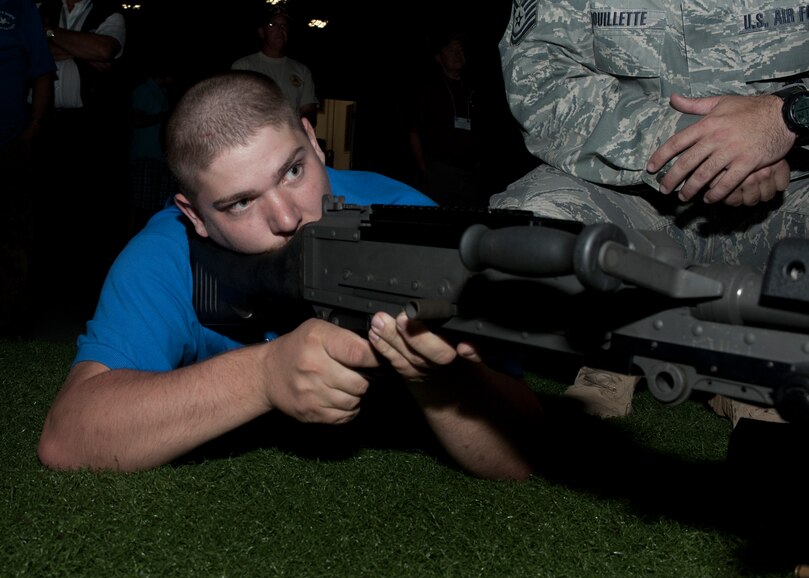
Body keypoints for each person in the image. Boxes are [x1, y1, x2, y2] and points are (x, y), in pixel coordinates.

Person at [37, 71, 544, 480]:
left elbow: (522, 456)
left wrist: (441, 383)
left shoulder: (402, 218)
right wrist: (263, 376)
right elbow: (69, 436)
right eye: (240, 203)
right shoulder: (166, 254)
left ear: (314, 141)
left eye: (292, 172)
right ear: (195, 216)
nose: (285, 218)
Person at [492, 1, 808, 422]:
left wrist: (785, 118)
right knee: (527, 225)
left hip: (786, 201)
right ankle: (615, 343)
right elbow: (539, 80)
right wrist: (703, 146)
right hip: (635, 199)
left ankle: (752, 358)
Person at [35, 0, 128, 318]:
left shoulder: (110, 12)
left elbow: (104, 49)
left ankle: (92, 304)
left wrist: (46, 35)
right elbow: (24, 51)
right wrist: (79, 48)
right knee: (48, 213)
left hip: (92, 133)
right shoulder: (41, 7)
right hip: (44, 126)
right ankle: (47, 298)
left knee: (93, 214)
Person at [0, 0, 57, 334]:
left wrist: (34, 126)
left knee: (12, 238)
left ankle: (10, 326)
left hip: (9, 143)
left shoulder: (20, 9)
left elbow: (42, 73)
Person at [407, 29, 483, 207]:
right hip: (440, 171)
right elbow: (413, 130)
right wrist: (424, 168)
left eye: (461, 50)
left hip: (470, 173)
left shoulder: (472, 89)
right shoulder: (429, 89)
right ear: (439, 58)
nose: (458, 54)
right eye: (451, 50)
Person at [231, 5, 318, 128]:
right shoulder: (243, 66)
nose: (279, 29)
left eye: (284, 25)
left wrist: (301, 128)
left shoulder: (302, 71)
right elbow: (235, 109)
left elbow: (309, 110)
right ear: (262, 32)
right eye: (272, 25)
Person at [127, 55, 177, 236]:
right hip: (145, 157)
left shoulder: (163, 93)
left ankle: (153, 239)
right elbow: (137, 120)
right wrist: (166, 116)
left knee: (160, 206)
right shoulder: (143, 90)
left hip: (162, 159)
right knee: (141, 205)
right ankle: (132, 241)